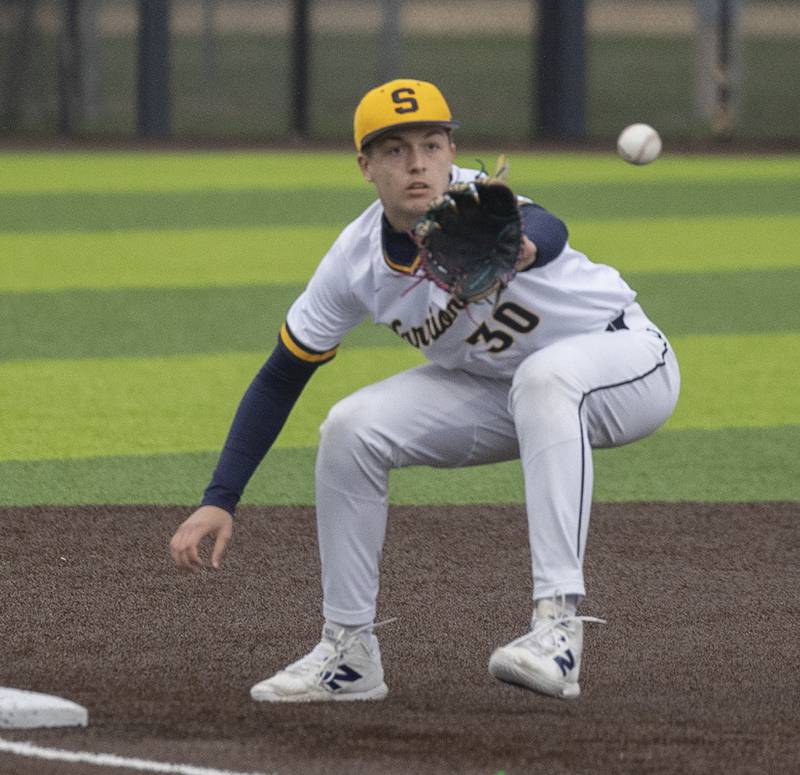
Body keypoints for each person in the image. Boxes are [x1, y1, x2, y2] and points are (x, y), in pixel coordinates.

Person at [169, 78, 680, 702]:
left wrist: (524, 246)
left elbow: (548, 223)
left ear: (450, 151)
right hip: (503, 389)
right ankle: (349, 654)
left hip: (628, 363)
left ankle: (557, 630)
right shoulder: (355, 261)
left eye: (431, 145)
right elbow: (282, 373)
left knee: (546, 377)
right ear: (365, 166)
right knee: (351, 428)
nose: (417, 163)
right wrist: (220, 496)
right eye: (394, 150)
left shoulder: (479, 202)